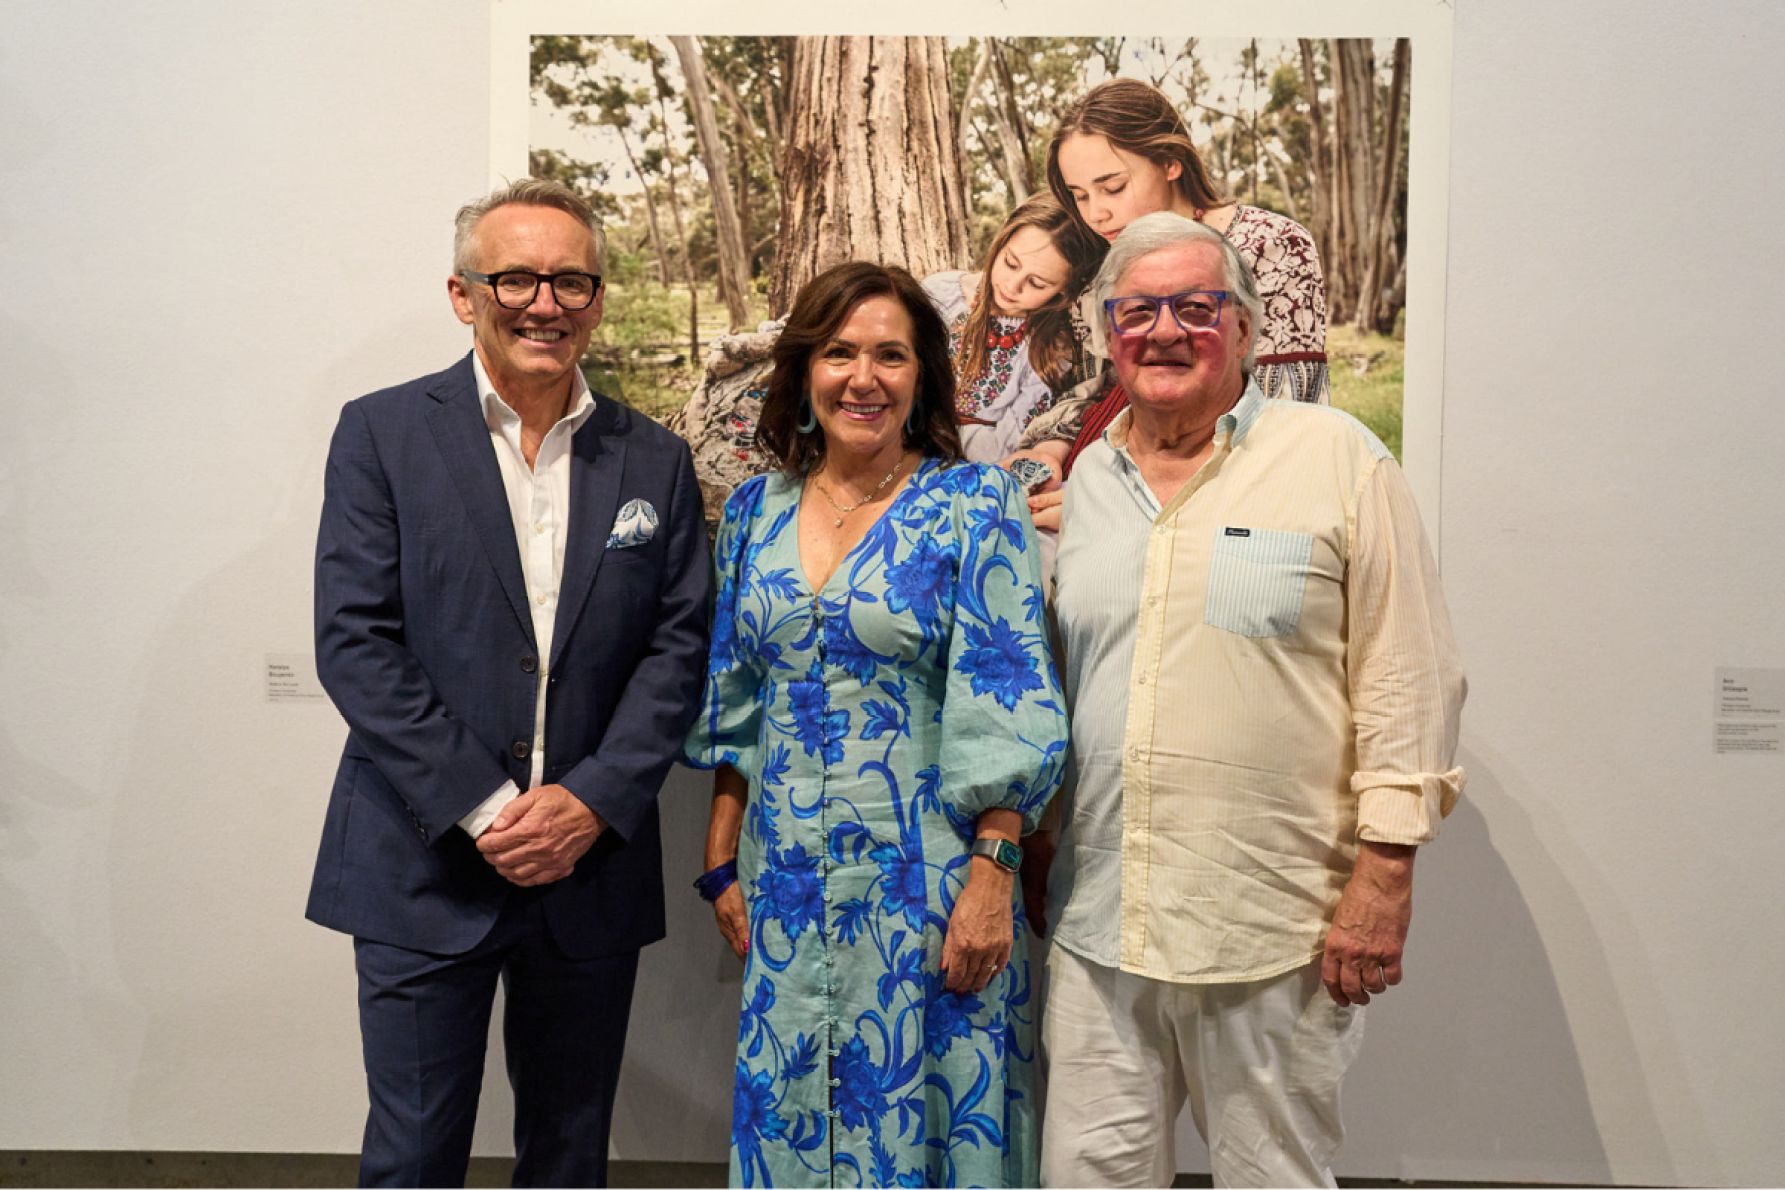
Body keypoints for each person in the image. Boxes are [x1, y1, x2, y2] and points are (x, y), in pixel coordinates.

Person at [1039, 211, 1465, 1187]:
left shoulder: (1335, 456)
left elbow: (1410, 672)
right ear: (1109, 333)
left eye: (1197, 305)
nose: (1165, 330)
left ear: (1245, 328)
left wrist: (1386, 869)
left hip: (1272, 929)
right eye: (1138, 310)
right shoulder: (1089, 481)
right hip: (1103, 929)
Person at [306, 179, 711, 1187]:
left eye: (572, 279)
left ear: (598, 296)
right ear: (463, 293)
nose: (547, 301)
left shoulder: (654, 460)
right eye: (518, 277)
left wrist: (590, 801)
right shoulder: (382, 434)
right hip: (423, 854)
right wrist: (489, 809)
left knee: (569, 1155)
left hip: (591, 865)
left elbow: (679, 644)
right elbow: (356, 640)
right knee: (414, 1153)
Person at [683, 261, 1069, 1187]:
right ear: (805, 373)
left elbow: (1006, 699)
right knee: (793, 1121)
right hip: (787, 886)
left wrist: (993, 878)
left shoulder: (976, 506)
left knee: (931, 1126)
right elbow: (736, 701)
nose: (864, 375)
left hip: (933, 891)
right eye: (840, 352)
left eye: (890, 354)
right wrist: (719, 860)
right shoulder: (753, 510)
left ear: (922, 374)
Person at [1013, 77, 1332, 534]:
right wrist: (1051, 448)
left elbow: (1285, 425)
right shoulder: (1102, 263)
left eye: (1113, 187)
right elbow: (1098, 391)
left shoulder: (1270, 247)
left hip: (1220, 516)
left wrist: (1118, 508)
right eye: (1080, 195)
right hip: (1092, 475)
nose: (1095, 213)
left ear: (1171, 162)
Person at [921, 193, 1101, 463]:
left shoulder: (1048, 353)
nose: (1012, 285)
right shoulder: (940, 294)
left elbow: (999, 450)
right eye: (1010, 263)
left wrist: (926, 428)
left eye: (1037, 283)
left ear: (1064, 291)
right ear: (1001, 240)